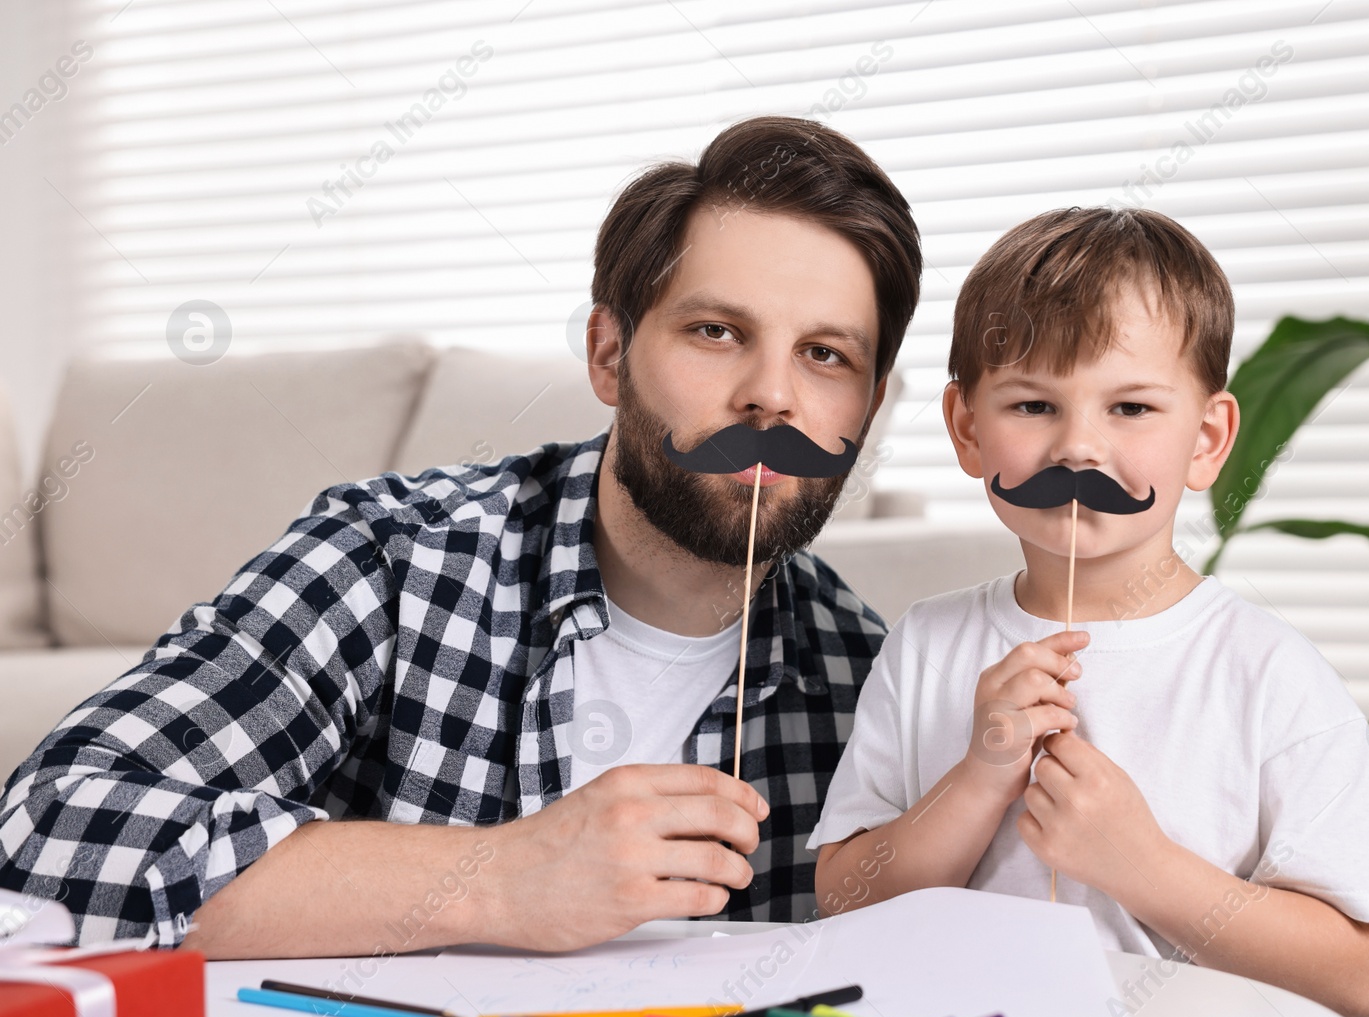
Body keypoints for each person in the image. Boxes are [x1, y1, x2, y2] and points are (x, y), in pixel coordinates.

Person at [0, 115, 922, 958]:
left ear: (869, 406)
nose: (773, 394)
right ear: (609, 353)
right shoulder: (390, 559)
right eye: (717, 330)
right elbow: (45, 831)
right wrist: (504, 877)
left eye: (826, 354)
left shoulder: (870, 673)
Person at [808, 206, 1369, 1017]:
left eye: (1131, 408)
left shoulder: (1274, 678)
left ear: (1207, 438)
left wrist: (1142, 862)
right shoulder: (924, 646)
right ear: (966, 429)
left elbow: (1355, 978)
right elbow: (845, 901)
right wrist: (979, 777)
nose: (1079, 447)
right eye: (1032, 406)